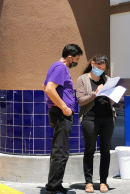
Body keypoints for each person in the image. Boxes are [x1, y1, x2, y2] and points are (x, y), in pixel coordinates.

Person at [42, 44, 83, 194]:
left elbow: (43, 86)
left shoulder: (54, 66)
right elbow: (49, 89)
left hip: (57, 112)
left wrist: (53, 103)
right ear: (70, 57)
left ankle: (56, 185)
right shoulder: (61, 67)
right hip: (61, 114)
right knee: (61, 152)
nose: (76, 62)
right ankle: (53, 188)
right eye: (76, 59)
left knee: (59, 151)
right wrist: (64, 107)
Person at [76, 54, 116, 193]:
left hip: (107, 118)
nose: (100, 70)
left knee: (105, 150)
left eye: (103, 68)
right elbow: (81, 101)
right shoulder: (82, 79)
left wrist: (115, 94)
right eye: (98, 67)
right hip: (90, 118)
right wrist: (95, 93)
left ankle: (104, 182)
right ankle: (89, 182)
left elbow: (112, 99)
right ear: (92, 64)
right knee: (89, 150)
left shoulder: (108, 79)